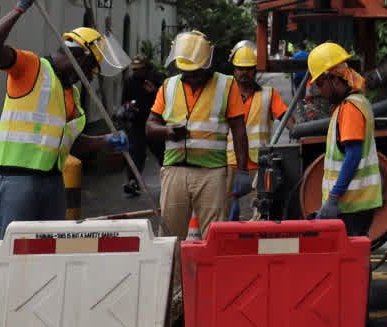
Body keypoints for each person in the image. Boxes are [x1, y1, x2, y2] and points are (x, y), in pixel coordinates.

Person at [0, 0, 129, 234]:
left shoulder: (71, 93)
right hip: (18, 178)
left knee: (49, 250)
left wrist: (107, 139)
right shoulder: (31, 67)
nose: (91, 76)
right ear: (80, 58)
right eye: (92, 68)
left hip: (52, 181)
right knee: (12, 248)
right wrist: (19, 9)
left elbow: (73, 142)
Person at [148, 31, 245, 238]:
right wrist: (167, 131)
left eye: (196, 72)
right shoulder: (169, 86)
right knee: (169, 238)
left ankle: (212, 272)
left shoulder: (227, 85)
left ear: (207, 64)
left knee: (214, 237)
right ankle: (173, 272)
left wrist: (243, 171)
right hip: (175, 170)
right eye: (186, 72)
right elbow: (150, 126)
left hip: (212, 173)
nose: (191, 77)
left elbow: (239, 130)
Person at [307, 42, 381, 238]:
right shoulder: (354, 104)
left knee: (350, 263)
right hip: (352, 204)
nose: (320, 91)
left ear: (334, 79)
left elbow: (353, 155)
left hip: (352, 206)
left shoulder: (350, 109)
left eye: (320, 84)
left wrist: (333, 197)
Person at [226, 40, 288, 219]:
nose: (244, 72)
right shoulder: (225, 94)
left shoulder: (269, 94)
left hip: (258, 164)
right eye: (240, 68)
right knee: (225, 214)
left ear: (255, 70)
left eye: (248, 68)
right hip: (229, 163)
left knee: (255, 216)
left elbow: (287, 119)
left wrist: (300, 131)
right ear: (234, 70)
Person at [119, 56, 161, 197]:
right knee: (135, 153)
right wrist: (127, 106)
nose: (136, 72)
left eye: (139, 69)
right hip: (137, 123)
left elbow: (168, 97)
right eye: (134, 70)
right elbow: (124, 100)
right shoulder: (130, 81)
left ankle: (170, 178)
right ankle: (133, 182)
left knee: (161, 152)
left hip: (155, 122)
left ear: (146, 67)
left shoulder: (156, 78)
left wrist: (154, 91)